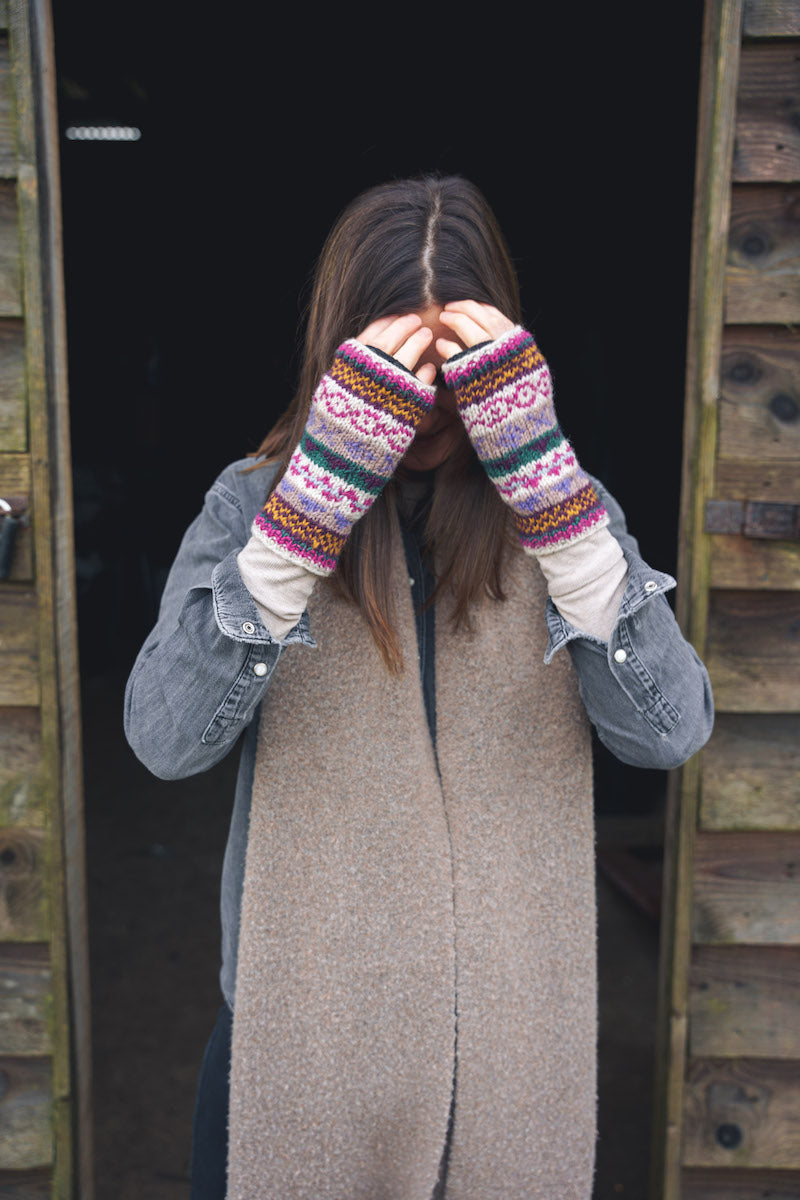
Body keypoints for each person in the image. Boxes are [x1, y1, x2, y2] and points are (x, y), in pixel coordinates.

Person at [124, 175, 713, 1200]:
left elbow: (665, 734)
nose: (431, 404)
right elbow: (165, 740)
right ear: (340, 354)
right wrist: (305, 515)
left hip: (505, 1047)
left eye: (458, 371)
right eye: (402, 369)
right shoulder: (251, 500)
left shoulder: (561, 511)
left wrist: (555, 505)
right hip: (297, 1030)